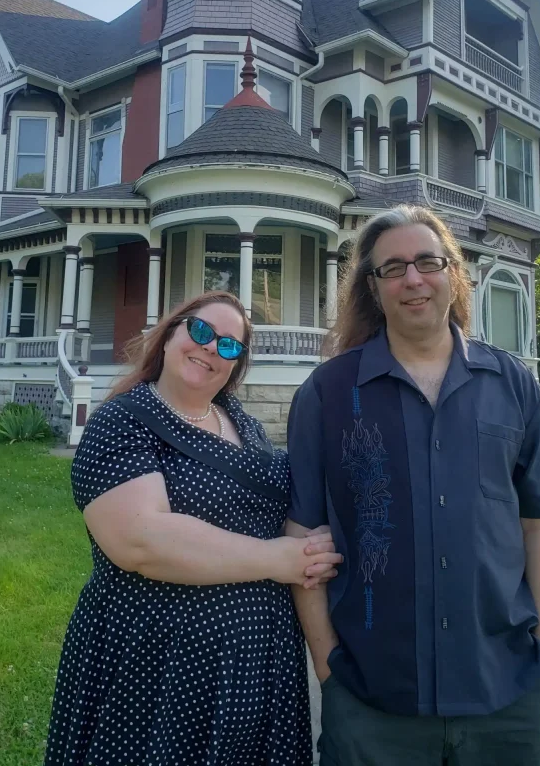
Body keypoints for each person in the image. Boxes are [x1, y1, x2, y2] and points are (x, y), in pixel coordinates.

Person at [286, 205, 540, 766]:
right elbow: (303, 537)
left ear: (453, 272)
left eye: (428, 261)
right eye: (392, 268)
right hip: (373, 703)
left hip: (508, 696)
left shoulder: (512, 383)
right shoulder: (327, 396)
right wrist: (329, 668)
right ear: (373, 289)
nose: (413, 279)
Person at [45, 291, 342, 766]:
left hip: (258, 671)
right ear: (169, 335)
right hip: (158, 671)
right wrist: (280, 558)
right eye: (202, 332)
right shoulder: (123, 421)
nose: (210, 349)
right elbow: (141, 541)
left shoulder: (246, 425)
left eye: (229, 346)